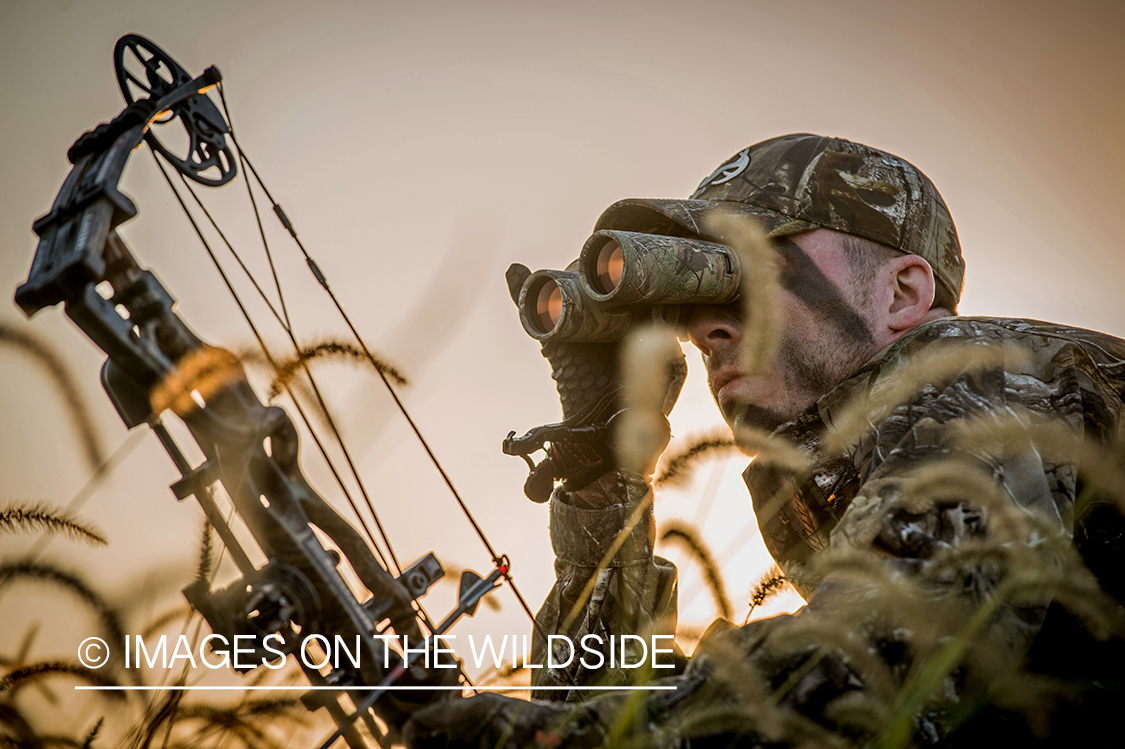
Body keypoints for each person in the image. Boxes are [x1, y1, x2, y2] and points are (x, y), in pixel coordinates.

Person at [404, 134, 1125, 747]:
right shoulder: (850, 470)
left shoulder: (988, 380)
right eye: (690, 292)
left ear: (902, 294)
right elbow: (610, 711)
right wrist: (604, 475)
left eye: (744, 266)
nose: (704, 325)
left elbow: (860, 672)